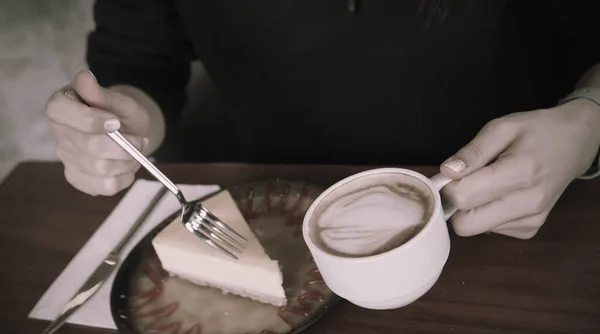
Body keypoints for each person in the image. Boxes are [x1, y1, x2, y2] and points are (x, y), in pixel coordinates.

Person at [45, 0, 600, 240]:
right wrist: (123, 121)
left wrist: (588, 121)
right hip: (283, 217)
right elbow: (139, 59)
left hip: (532, 211)